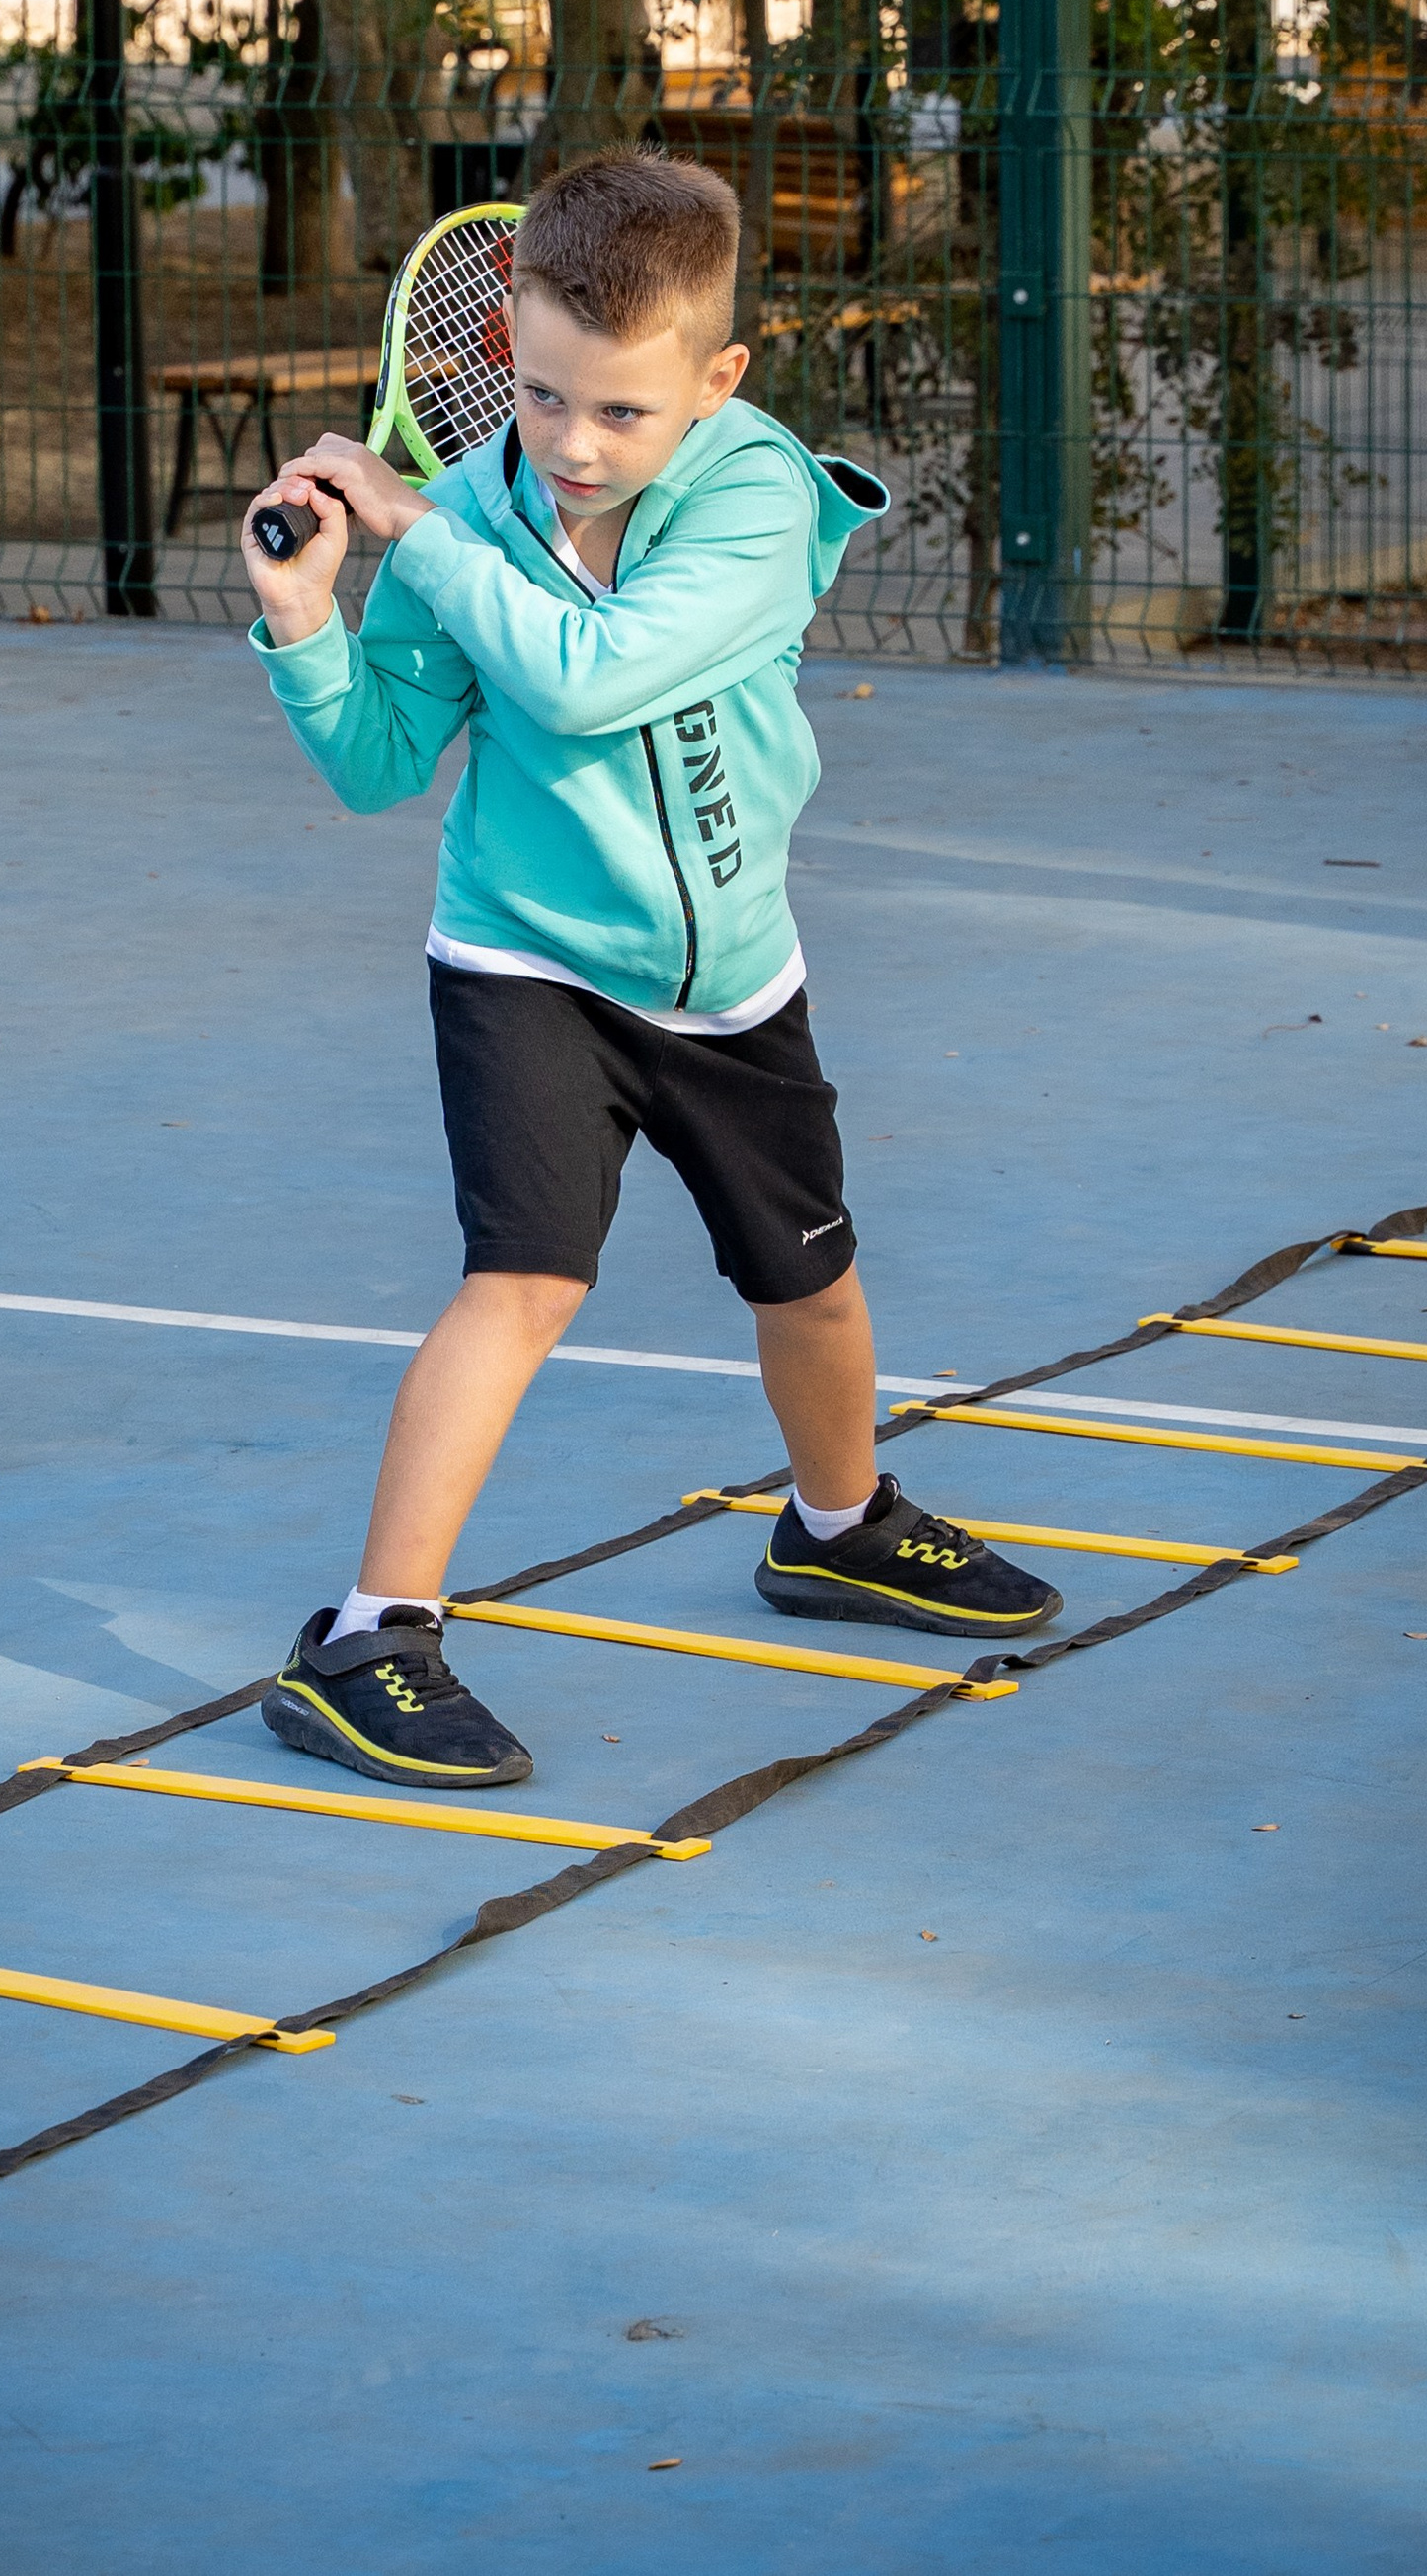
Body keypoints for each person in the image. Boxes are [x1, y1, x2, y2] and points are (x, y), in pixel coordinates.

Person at [238, 148, 1060, 1791]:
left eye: (621, 411)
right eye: (540, 399)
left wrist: (422, 534)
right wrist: (309, 623)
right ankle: (368, 1637)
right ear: (500, 356)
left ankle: (837, 1527)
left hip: (735, 978)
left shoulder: (752, 496)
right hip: (523, 962)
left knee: (809, 1279)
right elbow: (382, 762)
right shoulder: (470, 509)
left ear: (718, 379)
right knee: (525, 1279)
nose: (572, 445)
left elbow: (591, 678)